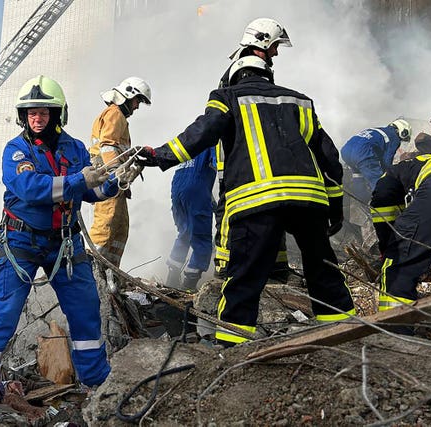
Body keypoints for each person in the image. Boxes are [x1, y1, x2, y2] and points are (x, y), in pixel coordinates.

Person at [137, 55, 356, 346]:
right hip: (308, 198)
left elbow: (201, 134)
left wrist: (158, 155)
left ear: (234, 77)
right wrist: (335, 208)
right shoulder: (301, 101)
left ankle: (232, 346)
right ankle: (345, 334)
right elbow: (329, 156)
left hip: (257, 199)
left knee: (245, 276)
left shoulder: (226, 97)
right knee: (322, 268)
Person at [0, 75, 116, 411]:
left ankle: (98, 384)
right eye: (31, 112)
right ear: (23, 116)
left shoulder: (75, 149)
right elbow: (31, 188)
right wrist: (80, 180)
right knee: (2, 315)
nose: (37, 117)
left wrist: (113, 184)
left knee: (86, 312)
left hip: (65, 242)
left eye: (44, 111)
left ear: (57, 114)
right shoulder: (17, 150)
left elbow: (90, 190)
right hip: (21, 242)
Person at [214, 17, 293, 280]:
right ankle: (225, 267)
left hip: (250, 148)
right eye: (274, 46)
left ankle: (277, 267)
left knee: (270, 203)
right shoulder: (243, 71)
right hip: (237, 150)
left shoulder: (244, 69)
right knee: (229, 203)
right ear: (262, 42)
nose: (276, 52)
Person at [371, 152, 431, 310]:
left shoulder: (396, 170)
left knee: (400, 266)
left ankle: (395, 327)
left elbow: (382, 200)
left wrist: (388, 248)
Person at [88, 77, 152, 267]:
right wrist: (116, 174)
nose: (137, 107)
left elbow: (116, 148)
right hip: (107, 179)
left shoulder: (118, 117)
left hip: (114, 182)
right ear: (128, 95)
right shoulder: (115, 113)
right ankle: (92, 271)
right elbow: (107, 146)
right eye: (137, 101)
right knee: (105, 227)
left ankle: (111, 274)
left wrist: (133, 156)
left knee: (120, 229)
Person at [165, 146, 216, 291]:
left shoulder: (190, 141)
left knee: (185, 233)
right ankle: (189, 285)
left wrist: (209, 199)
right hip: (196, 190)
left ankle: (171, 279)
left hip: (177, 189)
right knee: (202, 238)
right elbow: (221, 165)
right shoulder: (212, 141)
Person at [340, 119, 412, 204]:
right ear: (403, 132)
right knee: (379, 183)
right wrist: (388, 176)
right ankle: (381, 205)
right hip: (363, 155)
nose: (401, 141)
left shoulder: (378, 129)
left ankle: (361, 201)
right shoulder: (394, 137)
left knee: (358, 176)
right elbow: (387, 160)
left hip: (346, 152)